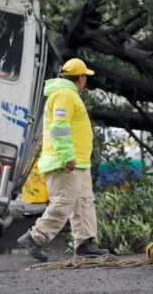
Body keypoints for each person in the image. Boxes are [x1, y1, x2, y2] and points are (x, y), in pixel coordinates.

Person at [17, 58, 109, 261]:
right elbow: (59, 127)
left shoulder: (68, 94)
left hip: (79, 162)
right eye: (86, 76)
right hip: (65, 161)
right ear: (81, 78)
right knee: (64, 202)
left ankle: (85, 243)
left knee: (84, 202)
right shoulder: (65, 95)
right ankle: (34, 237)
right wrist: (68, 156)